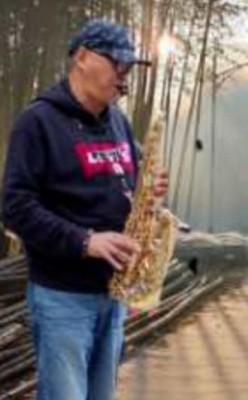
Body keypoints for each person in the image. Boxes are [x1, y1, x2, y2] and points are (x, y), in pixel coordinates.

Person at [2, 19, 168, 400]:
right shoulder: (37, 122)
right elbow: (15, 207)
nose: (124, 76)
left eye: (128, 67)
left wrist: (150, 189)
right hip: (63, 298)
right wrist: (84, 241)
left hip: (114, 295)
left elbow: (131, 183)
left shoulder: (118, 121)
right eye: (117, 64)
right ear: (81, 57)